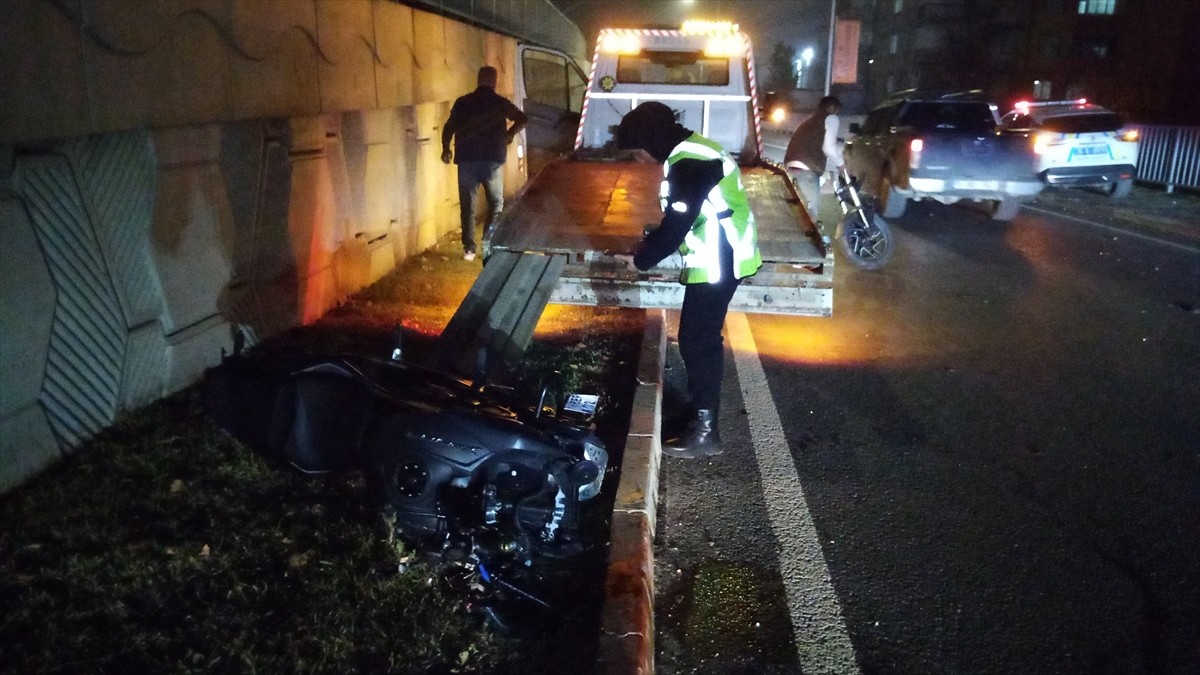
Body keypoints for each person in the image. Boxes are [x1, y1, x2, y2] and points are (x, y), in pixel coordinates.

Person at [615, 101, 762, 458]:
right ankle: (701, 421)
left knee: (698, 341)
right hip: (719, 254)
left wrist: (641, 259)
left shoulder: (690, 160)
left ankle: (705, 433)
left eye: (637, 152)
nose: (638, 160)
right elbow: (686, 214)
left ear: (650, 140)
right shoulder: (692, 151)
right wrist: (648, 243)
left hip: (720, 258)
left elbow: (680, 221)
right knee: (699, 339)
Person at [441, 66, 527, 261]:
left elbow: (449, 127)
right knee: (495, 203)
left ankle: (469, 249)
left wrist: (446, 148)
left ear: (478, 80)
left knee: (467, 205)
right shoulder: (500, 103)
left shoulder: (462, 103)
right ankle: (489, 242)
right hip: (492, 160)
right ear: (494, 82)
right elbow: (522, 118)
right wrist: (510, 134)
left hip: (467, 159)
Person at [783, 95, 844, 222]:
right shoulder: (831, 118)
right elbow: (829, 148)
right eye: (838, 111)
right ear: (832, 108)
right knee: (809, 219)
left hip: (790, 170)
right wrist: (841, 165)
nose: (838, 114)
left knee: (792, 217)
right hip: (806, 172)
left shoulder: (809, 122)